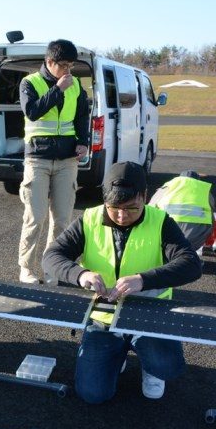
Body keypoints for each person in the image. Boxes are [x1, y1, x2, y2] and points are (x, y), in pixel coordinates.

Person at [43, 162, 201, 403]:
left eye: (132, 208)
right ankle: (117, 355)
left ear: (145, 196)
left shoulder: (161, 222)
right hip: (103, 317)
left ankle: (150, 366)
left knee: (168, 367)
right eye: (114, 207)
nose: (121, 216)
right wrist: (80, 274)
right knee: (93, 394)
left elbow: (191, 264)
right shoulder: (89, 219)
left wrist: (143, 280)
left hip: (150, 315)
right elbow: (52, 257)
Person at [18, 39, 90, 285]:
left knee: (61, 220)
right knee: (35, 217)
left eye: (71, 65)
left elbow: (82, 115)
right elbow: (33, 111)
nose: (68, 70)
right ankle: (26, 268)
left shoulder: (77, 85)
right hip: (37, 159)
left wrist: (83, 140)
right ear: (49, 62)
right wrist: (57, 89)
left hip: (67, 160)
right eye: (63, 65)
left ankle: (53, 269)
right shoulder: (29, 83)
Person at [149, 170, 215, 256]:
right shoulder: (202, 189)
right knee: (210, 219)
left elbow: (150, 207)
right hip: (193, 238)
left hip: (165, 233)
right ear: (197, 179)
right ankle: (188, 257)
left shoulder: (168, 185)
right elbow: (211, 210)